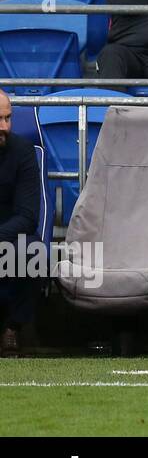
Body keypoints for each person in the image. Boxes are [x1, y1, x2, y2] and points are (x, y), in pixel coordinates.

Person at [0, 90, 42, 356]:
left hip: (10, 235)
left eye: (8, 118)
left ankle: (12, 328)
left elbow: (28, 216)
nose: (4, 126)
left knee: (33, 252)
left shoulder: (23, 152)